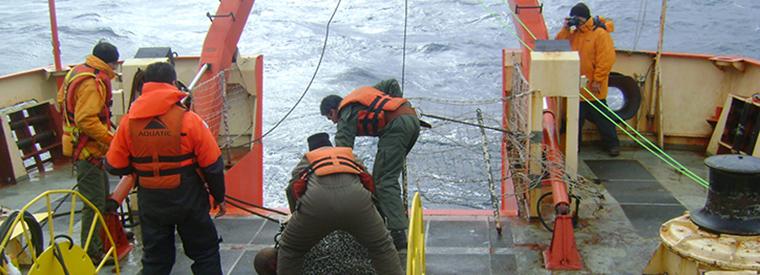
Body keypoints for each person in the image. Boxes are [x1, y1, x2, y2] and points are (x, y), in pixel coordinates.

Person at [104, 62, 226, 275]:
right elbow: (213, 165)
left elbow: (114, 166)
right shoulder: (190, 120)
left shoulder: (128, 123)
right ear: (173, 83)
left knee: (156, 261)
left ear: (145, 85)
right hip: (188, 199)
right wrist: (219, 196)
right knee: (205, 253)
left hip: (151, 201)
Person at [263, 132, 402, 275]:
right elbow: (369, 183)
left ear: (311, 150)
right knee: (382, 247)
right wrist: (375, 218)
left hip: (316, 206)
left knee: (291, 249)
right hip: (357, 202)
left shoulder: (307, 160)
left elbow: (293, 190)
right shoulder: (349, 155)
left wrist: (296, 215)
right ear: (330, 146)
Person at [319, 79, 420, 249]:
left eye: (330, 117)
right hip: (412, 120)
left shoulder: (344, 116)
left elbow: (342, 155)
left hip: (396, 129)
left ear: (333, 110)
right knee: (382, 177)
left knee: (383, 182)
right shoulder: (361, 95)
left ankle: (398, 233)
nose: (333, 122)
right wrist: (397, 107)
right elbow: (392, 84)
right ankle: (382, 221)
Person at [57, 41, 119, 260]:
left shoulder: (77, 72)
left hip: (85, 148)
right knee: (94, 204)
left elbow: (61, 101)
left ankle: (99, 243)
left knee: (101, 197)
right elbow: (86, 120)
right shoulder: (93, 83)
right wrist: (111, 139)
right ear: (110, 63)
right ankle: (92, 253)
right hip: (88, 151)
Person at [555, 2, 620, 156]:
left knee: (603, 118)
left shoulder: (600, 34)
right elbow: (558, 45)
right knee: (574, 120)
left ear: (583, 18)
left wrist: (597, 80)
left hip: (593, 87)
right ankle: (574, 149)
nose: (574, 22)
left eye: (576, 19)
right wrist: (566, 28)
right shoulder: (573, 33)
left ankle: (612, 145)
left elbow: (606, 60)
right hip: (575, 87)